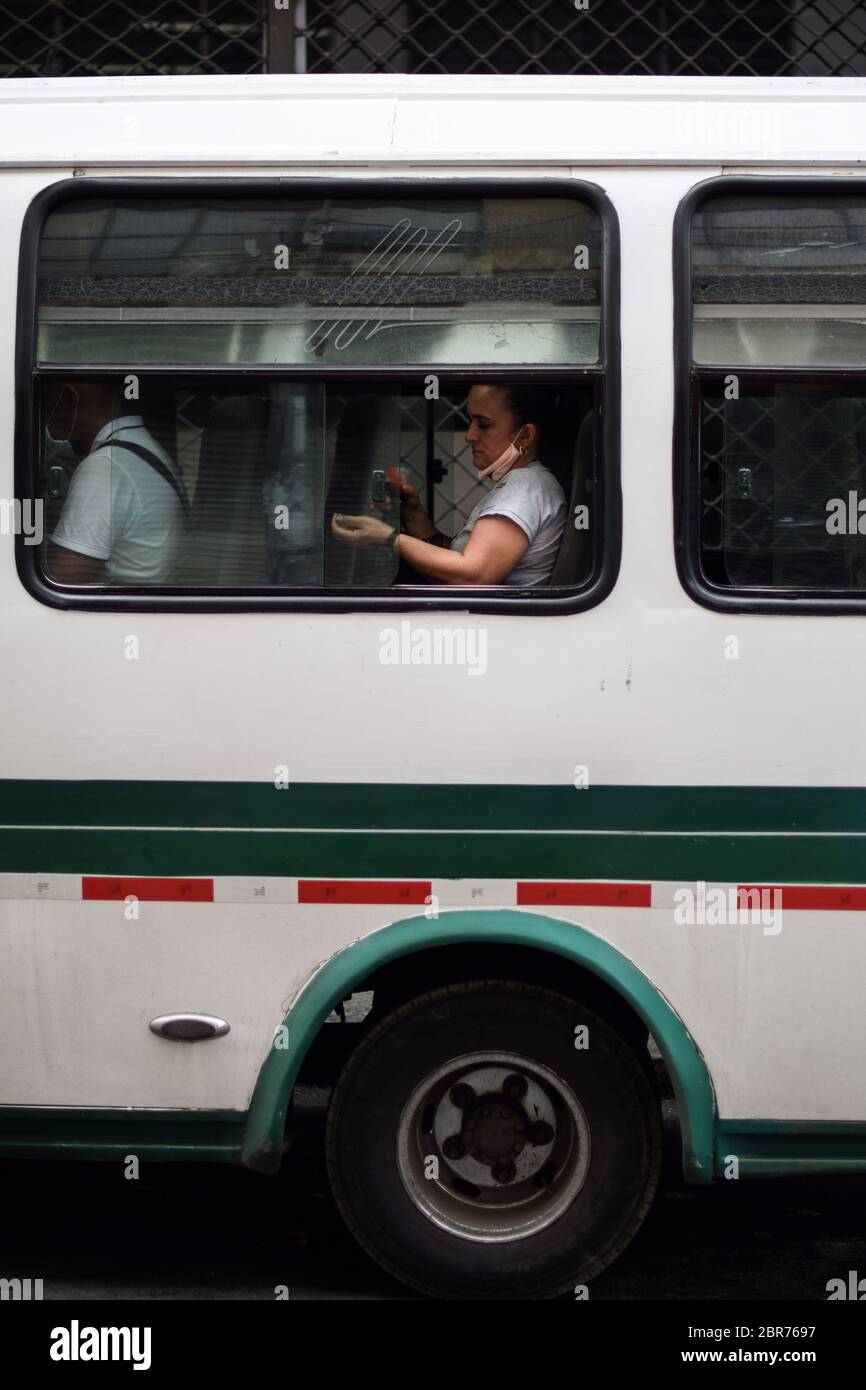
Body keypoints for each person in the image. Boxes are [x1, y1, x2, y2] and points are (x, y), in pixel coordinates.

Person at [330, 384, 567, 586]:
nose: (470, 435)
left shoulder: (525, 485)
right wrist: (413, 516)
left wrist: (387, 538)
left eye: (483, 424)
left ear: (524, 436)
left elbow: (474, 575)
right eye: (470, 421)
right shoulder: (523, 484)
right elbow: (458, 557)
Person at [45, 381, 187, 584]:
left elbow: (64, 574)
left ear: (70, 398)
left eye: (50, 405)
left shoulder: (106, 466)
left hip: (127, 608)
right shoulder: (142, 446)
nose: (48, 422)